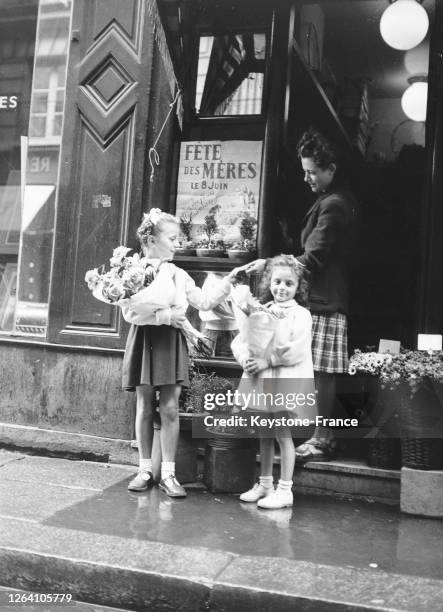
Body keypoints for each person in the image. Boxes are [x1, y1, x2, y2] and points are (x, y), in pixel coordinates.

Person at [246, 129, 359, 462]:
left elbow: (313, 257)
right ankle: (318, 436)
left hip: (326, 299)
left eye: (312, 171)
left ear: (331, 169)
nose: (306, 177)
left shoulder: (335, 205)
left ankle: (322, 439)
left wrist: (270, 264)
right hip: (323, 297)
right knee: (317, 371)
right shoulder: (330, 200)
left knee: (322, 372)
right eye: (305, 170)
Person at [123, 209, 238, 497]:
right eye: (172, 238)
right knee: (144, 405)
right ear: (151, 239)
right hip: (145, 338)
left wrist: (228, 282)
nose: (177, 244)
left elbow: (203, 302)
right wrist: (165, 317)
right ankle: (144, 469)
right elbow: (129, 311)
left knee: (171, 407)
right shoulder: (132, 271)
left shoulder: (179, 274)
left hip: (170, 341)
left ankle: (169, 474)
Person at [231, 255, 315, 509]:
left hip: (284, 378)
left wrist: (268, 360)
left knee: (282, 433)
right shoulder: (262, 310)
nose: (281, 288)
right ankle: (265, 483)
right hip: (264, 379)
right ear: (269, 282)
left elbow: (296, 349)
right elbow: (242, 340)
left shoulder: (301, 315)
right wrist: (246, 358)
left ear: (298, 287)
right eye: (277, 282)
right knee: (265, 433)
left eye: (288, 284)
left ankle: (285, 489)